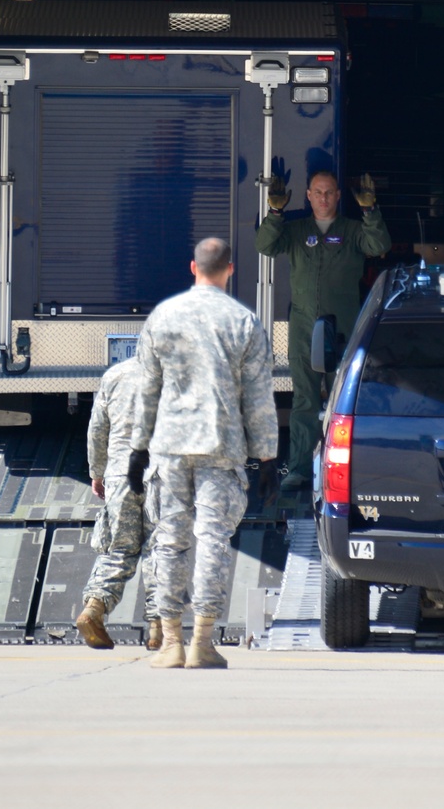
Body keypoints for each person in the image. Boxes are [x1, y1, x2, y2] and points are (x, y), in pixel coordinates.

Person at [127, 237, 279, 669]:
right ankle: (204, 641)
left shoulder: (163, 316)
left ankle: (171, 641)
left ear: (192, 267)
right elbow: (258, 396)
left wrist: (139, 447)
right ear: (230, 269)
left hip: (169, 448)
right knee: (213, 540)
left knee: (170, 543)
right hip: (221, 447)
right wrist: (267, 456)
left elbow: (147, 388)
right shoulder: (244, 321)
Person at [255, 168, 391, 491]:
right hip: (303, 327)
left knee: (342, 401)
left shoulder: (353, 230)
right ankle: (301, 469)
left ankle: (339, 472)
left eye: (330, 192)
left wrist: (370, 211)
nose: (324, 198)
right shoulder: (296, 229)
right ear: (307, 195)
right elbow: (264, 245)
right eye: (318, 192)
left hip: (341, 328)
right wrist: (274, 212)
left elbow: (379, 244)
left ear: (339, 196)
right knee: (304, 400)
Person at [76, 357, 161, 651]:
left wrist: (97, 473)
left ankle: (94, 609)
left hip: (120, 474)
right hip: (161, 476)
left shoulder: (115, 375)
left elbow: (97, 429)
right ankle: (158, 628)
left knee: (118, 549)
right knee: (160, 549)